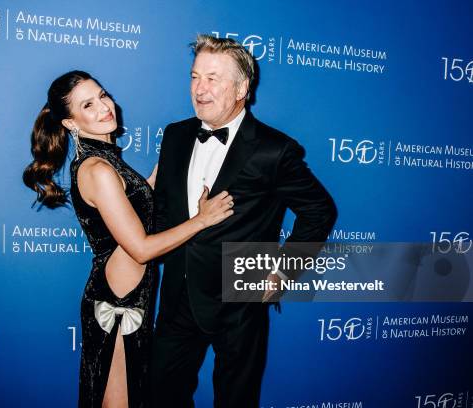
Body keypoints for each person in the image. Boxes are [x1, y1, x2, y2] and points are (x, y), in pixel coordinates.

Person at [22, 70, 234, 408]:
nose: (104, 106)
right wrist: (202, 220)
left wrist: (174, 155)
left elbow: (137, 200)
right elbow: (139, 248)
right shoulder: (98, 170)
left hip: (131, 298)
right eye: (87, 105)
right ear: (71, 123)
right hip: (117, 305)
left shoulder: (106, 161)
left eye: (102, 95)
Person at [151, 35, 338, 407]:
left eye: (212, 78)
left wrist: (284, 272)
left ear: (241, 88)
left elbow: (320, 210)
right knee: (159, 395)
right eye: (194, 76)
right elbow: (162, 208)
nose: (199, 89)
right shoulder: (175, 135)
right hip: (177, 296)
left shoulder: (274, 149)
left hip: (239, 302)